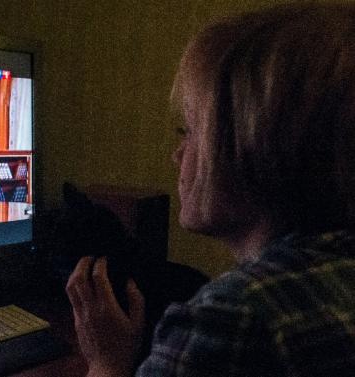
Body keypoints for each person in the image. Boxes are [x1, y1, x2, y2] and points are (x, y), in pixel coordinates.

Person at [66, 4, 355, 376]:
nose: (177, 155)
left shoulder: (233, 319)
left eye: (189, 129)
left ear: (252, 142)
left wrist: (106, 359)